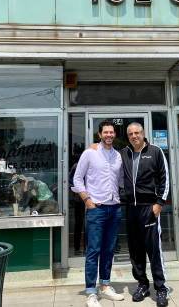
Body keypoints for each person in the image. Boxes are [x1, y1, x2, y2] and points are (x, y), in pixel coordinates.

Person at [72, 120, 125, 307]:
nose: (109, 135)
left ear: (114, 135)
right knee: (93, 250)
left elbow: (120, 181)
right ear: (99, 135)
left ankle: (105, 285)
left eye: (112, 132)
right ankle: (91, 292)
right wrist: (87, 200)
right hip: (97, 209)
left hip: (114, 208)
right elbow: (77, 179)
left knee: (109, 250)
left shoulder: (118, 156)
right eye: (106, 132)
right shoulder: (90, 153)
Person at [121, 122, 170, 307]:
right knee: (135, 251)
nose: (134, 136)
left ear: (143, 133)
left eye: (137, 133)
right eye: (131, 134)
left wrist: (159, 203)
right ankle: (142, 284)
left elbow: (165, 178)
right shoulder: (123, 153)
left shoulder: (156, 151)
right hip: (131, 209)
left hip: (149, 208)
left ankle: (161, 288)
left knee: (154, 250)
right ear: (128, 136)